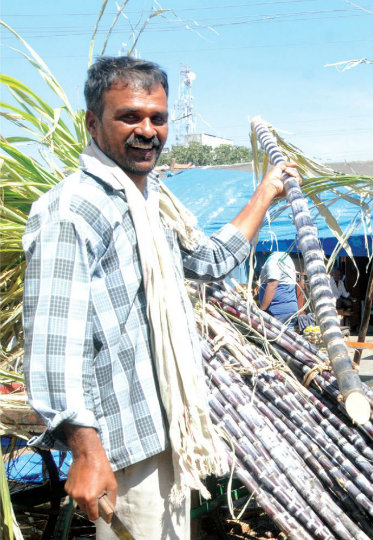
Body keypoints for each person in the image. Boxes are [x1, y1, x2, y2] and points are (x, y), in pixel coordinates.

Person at [22, 57, 300, 539]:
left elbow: (208, 261)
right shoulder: (72, 210)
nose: (147, 130)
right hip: (122, 450)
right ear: (93, 123)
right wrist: (86, 452)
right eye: (129, 116)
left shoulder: (153, 204)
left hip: (167, 431)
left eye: (158, 117)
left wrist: (265, 194)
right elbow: (53, 347)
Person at [258, 251, 300, 324]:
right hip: (289, 309)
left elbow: (273, 284)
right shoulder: (286, 258)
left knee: (275, 335)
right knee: (287, 334)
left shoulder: (274, 260)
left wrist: (262, 310)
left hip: (276, 311)